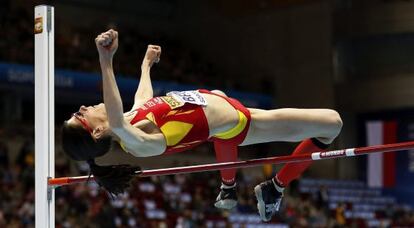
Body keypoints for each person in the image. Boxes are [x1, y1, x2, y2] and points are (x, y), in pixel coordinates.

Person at [62, 29, 343, 222]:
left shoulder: (133, 119)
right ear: (98, 131)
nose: (84, 107)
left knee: (329, 124)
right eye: (80, 115)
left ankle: (250, 187)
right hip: (244, 125)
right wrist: (105, 60)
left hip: (229, 106)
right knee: (332, 124)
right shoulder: (134, 140)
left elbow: (142, 98)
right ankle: (276, 186)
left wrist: (146, 66)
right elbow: (117, 119)